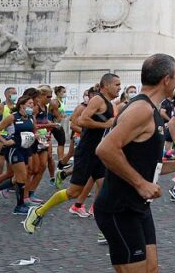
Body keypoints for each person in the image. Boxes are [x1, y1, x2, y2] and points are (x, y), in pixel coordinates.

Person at [24, 53, 175, 273]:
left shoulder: (149, 110)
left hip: (138, 207)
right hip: (120, 207)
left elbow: (143, 163)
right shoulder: (140, 109)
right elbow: (105, 149)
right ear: (167, 79)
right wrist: (141, 184)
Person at [23, 74, 121, 230]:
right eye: (117, 84)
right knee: (73, 192)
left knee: (105, 188)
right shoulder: (97, 100)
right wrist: (105, 125)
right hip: (87, 152)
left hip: (99, 153)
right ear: (106, 85)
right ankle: (38, 212)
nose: (120, 88)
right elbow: (82, 121)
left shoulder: (109, 103)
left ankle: (105, 229)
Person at [0, 93, 39, 214]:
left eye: (33, 104)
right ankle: (19, 206)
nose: (32, 106)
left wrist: (35, 136)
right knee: (21, 176)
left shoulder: (31, 117)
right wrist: (4, 141)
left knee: (16, 177)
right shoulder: (12, 117)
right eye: (30, 104)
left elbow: (33, 131)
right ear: (22, 105)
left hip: (25, 149)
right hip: (14, 149)